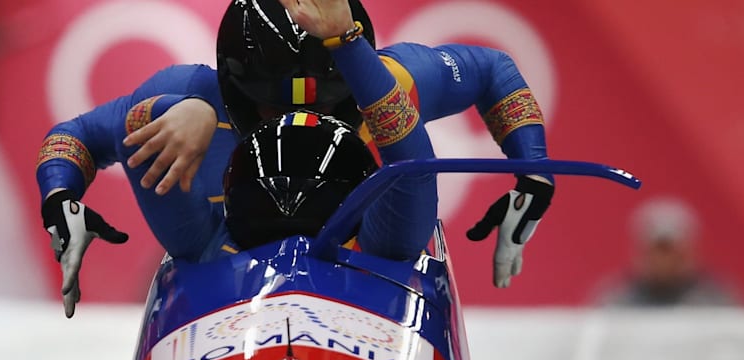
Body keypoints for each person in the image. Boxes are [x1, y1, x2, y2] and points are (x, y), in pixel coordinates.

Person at [35, 0, 555, 314]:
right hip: (230, 276)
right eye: (274, 106)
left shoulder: (390, 86)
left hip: (372, 266)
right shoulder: (185, 100)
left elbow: (493, 73)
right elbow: (77, 137)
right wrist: (61, 196)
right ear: (235, 89)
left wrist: (533, 174)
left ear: (358, 76)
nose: (303, 119)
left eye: (328, 102)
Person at [596, 196, 742, 307]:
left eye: (670, 250)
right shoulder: (617, 301)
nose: (664, 260)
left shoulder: (716, 301)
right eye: (658, 250)